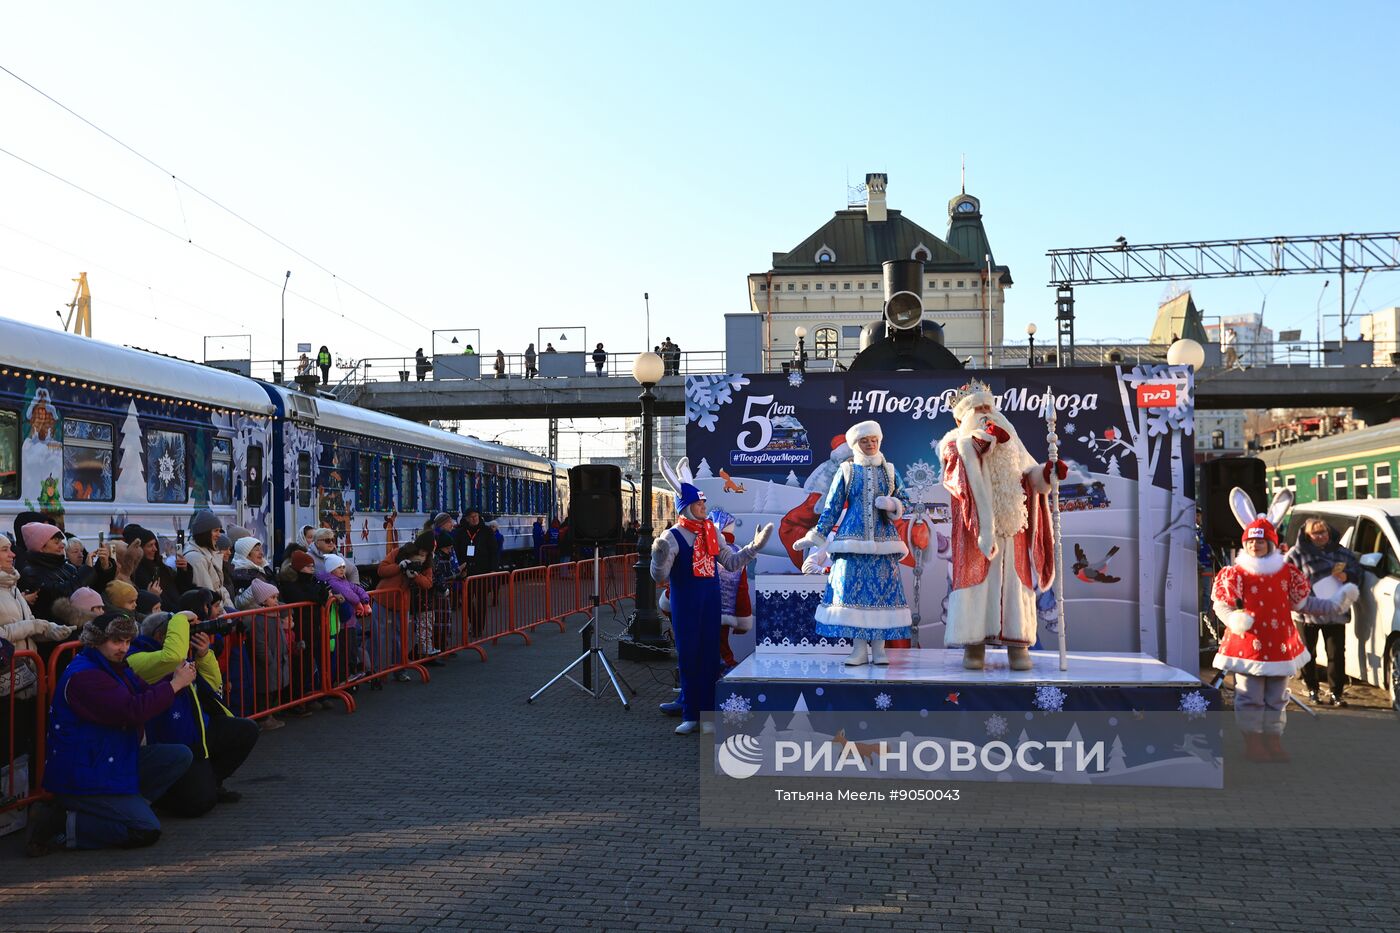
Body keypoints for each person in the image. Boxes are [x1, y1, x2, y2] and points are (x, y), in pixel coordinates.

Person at [27, 610, 196, 855]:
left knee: (178, 756)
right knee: (145, 829)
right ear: (96, 642)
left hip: (110, 758)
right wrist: (175, 684)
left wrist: (174, 682)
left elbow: (143, 694)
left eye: (127, 642)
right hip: (85, 773)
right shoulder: (86, 676)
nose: (123, 648)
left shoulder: (114, 666)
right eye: (117, 641)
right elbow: (131, 711)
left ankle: (124, 808)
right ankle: (60, 823)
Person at [1212, 490, 1357, 762]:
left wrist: (1336, 602)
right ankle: (1253, 742)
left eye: (1261, 542)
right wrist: (1234, 619)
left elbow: (1304, 605)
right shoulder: (1236, 573)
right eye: (1251, 542)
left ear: (1270, 542)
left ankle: (1273, 740)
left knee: (1277, 697)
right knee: (1250, 696)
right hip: (1248, 646)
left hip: (1280, 644)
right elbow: (1222, 604)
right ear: (1246, 544)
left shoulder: (1287, 573)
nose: (1256, 546)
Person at [937, 380, 1062, 671]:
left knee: (1015, 586)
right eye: (977, 408)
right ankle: (974, 646)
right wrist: (980, 442)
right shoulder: (954, 443)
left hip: (1012, 529)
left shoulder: (1013, 444)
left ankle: (1018, 646)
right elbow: (955, 475)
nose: (984, 412)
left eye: (987, 407)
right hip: (975, 532)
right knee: (976, 585)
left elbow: (1031, 477)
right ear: (962, 417)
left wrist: (1047, 473)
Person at [650, 459, 771, 734]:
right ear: (687, 506)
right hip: (687, 602)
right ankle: (690, 714)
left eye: (704, 504)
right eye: (700, 504)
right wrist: (657, 558)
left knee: (709, 658)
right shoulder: (672, 536)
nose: (704, 508)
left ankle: (707, 716)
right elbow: (659, 576)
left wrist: (754, 547)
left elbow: (730, 562)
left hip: (711, 600)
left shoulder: (712, 532)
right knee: (689, 657)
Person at [127, 592, 260, 815]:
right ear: (163, 635)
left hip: (198, 733)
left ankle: (211, 780)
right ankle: (169, 795)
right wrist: (179, 618)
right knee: (199, 804)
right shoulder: (137, 658)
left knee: (245, 730)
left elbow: (213, 686)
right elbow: (169, 658)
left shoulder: (181, 655)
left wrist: (204, 655)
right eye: (181, 633)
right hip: (173, 742)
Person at [794, 421, 912, 666]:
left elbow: (905, 500)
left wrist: (893, 505)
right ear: (856, 444)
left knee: (882, 594)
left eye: (874, 440)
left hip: (883, 541)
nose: (870, 444)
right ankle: (859, 649)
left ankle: (879, 650)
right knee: (854, 594)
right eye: (864, 441)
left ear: (879, 441)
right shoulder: (847, 470)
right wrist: (815, 535)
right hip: (851, 540)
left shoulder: (889, 470)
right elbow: (832, 506)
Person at [1, 534, 75, 765]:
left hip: (25, 682)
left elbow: (29, 622)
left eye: (11, 549)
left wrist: (51, 631)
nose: (13, 554)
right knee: (7, 749)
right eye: (4, 550)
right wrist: (35, 625)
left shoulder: (12, 587)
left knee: (24, 745)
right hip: (4, 686)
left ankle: (24, 794)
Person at [1286, 517, 1360, 706]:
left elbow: (1357, 572)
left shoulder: (1342, 553)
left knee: (1336, 654)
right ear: (1307, 536)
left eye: (1323, 532)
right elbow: (1284, 577)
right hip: (1306, 611)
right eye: (1316, 533)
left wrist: (1347, 575)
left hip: (1335, 611)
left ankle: (1336, 693)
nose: (1320, 536)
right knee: (1307, 654)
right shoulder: (1297, 554)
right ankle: (1312, 689)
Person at [377, 539, 435, 666]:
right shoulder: (399, 552)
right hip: (382, 598)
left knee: (400, 636)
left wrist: (415, 576)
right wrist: (399, 567)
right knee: (379, 634)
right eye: (420, 553)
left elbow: (428, 583)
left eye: (425, 554)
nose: (421, 557)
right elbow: (381, 570)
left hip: (402, 602)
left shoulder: (427, 563)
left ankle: (399, 667)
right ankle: (376, 669)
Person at [18, 522, 86, 622]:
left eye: (61, 541)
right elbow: (62, 593)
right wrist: (87, 570)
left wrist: (103, 568)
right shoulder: (31, 573)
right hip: (52, 630)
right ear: (41, 547)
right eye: (56, 542)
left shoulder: (68, 567)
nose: (62, 545)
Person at [182, 510, 233, 610]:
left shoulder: (208, 552)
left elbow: (220, 588)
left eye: (219, 530)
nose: (219, 535)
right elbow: (209, 594)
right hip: (215, 612)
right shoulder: (196, 558)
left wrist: (232, 610)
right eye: (215, 531)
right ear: (204, 532)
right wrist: (227, 617)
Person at [228, 537, 275, 604]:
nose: (261, 553)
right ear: (246, 554)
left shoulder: (265, 568)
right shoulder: (241, 575)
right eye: (257, 550)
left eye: (261, 549)